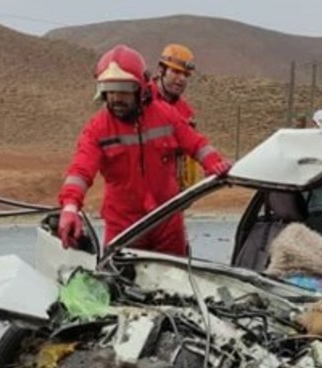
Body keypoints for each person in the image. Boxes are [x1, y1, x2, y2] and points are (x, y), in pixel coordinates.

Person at [57, 44, 230, 256]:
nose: (116, 98)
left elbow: (196, 143)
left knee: (178, 282)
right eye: (110, 91)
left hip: (167, 220)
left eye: (124, 91)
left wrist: (214, 163)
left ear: (140, 89)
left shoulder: (166, 115)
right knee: (120, 282)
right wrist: (70, 208)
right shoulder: (97, 129)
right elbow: (80, 171)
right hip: (124, 226)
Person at [150, 43, 205, 191]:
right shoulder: (142, 100)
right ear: (161, 69)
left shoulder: (186, 111)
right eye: (176, 72)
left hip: (171, 193)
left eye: (186, 75)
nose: (181, 79)